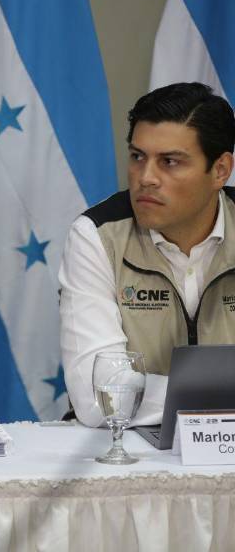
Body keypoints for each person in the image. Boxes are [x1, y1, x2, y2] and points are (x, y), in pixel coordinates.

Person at [59, 82, 235, 427]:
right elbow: (99, 397)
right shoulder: (97, 235)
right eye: (138, 157)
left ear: (220, 170)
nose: (146, 178)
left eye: (170, 162)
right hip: (127, 443)